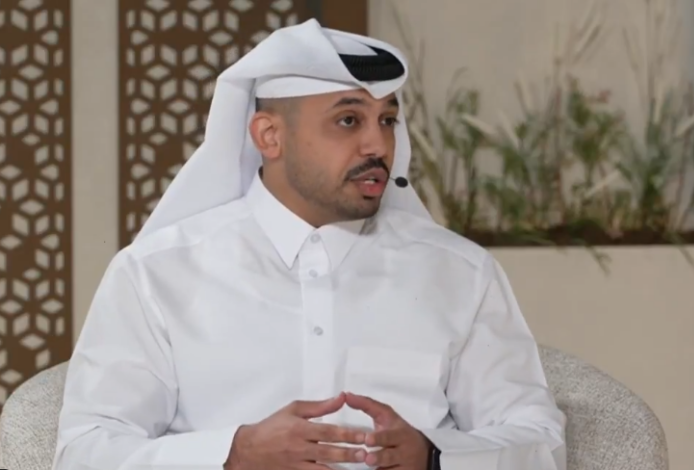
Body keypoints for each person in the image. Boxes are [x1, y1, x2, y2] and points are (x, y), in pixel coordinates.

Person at [52, 19, 566, 470]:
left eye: (387, 120)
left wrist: (435, 457)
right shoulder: (155, 274)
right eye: (349, 120)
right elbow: (84, 451)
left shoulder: (459, 273)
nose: (378, 145)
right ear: (269, 136)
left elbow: (539, 441)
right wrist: (232, 455)